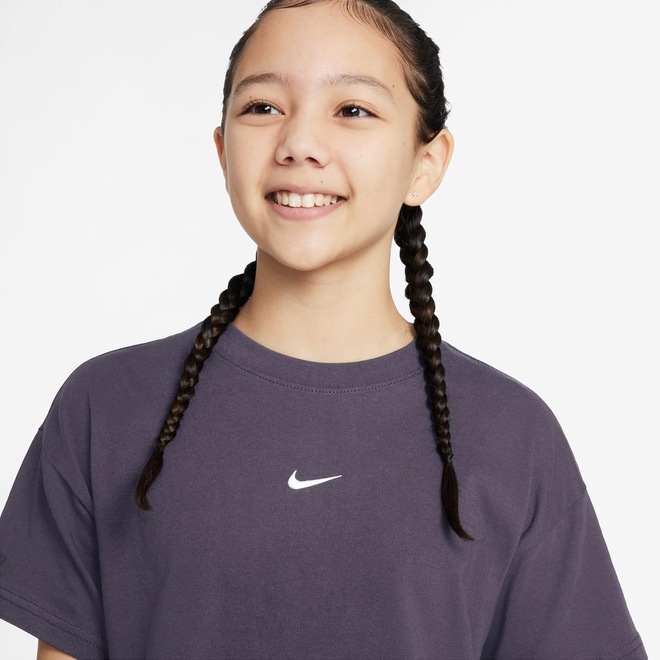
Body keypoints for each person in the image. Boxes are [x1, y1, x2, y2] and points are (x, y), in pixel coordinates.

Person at [0, 0, 647, 658]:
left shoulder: (512, 434)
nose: (299, 143)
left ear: (426, 162)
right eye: (263, 107)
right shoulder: (106, 406)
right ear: (223, 150)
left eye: (352, 110)